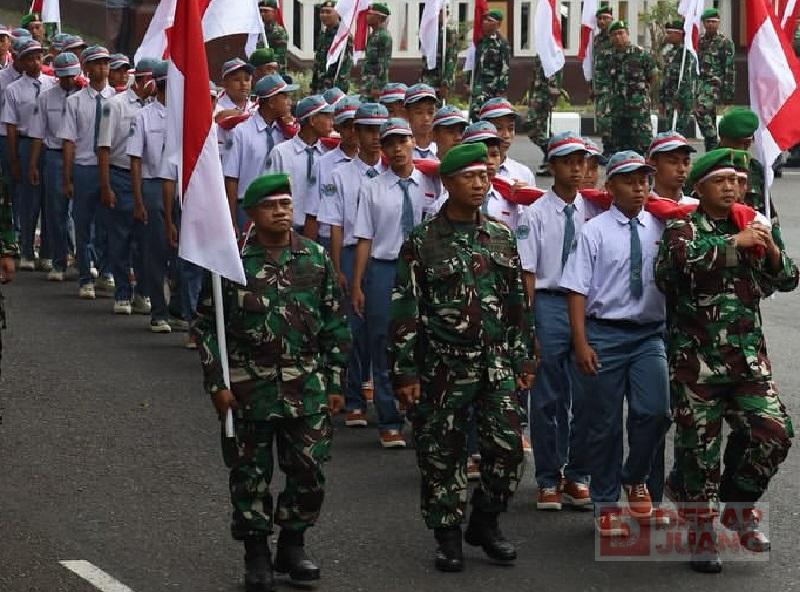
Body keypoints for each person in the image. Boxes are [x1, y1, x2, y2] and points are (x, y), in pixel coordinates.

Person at [194, 172, 350, 592]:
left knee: (309, 471)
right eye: (271, 205)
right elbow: (208, 326)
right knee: (251, 475)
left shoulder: (315, 259)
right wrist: (216, 383)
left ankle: (293, 545)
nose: (281, 212)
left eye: (286, 204)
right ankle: (257, 553)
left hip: (307, 387)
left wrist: (335, 381)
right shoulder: (232, 264)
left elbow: (335, 322)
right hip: (250, 388)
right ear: (251, 213)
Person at [389, 142, 533, 572]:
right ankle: (448, 535)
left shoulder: (501, 236)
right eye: (468, 177)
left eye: (483, 176)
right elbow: (405, 309)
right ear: (448, 183)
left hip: (495, 363)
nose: (479, 183)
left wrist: (524, 358)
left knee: (508, 449)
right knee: (442, 453)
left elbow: (516, 304)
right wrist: (405, 371)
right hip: (443, 364)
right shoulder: (423, 241)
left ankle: (485, 521)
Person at [655, 149, 797, 572]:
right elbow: (676, 269)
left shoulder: (752, 224)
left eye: (736, 180)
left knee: (774, 434)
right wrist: (735, 243)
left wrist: (769, 249)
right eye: (721, 180)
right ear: (698, 188)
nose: (732, 187)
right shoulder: (682, 227)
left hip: (748, 363)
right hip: (696, 366)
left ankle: (736, 506)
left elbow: (787, 279)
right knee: (699, 454)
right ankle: (701, 535)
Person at [560, 151, 672, 538]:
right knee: (604, 424)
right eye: (629, 180)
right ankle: (605, 504)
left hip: (648, 335)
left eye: (644, 180)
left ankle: (635, 476)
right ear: (610, 187)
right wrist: (581, 342)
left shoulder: (662, 225)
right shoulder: (594, 230)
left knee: (656, 411)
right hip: (605, 333)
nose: (639, 187)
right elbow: (576, 289)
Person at [517, 132, 598, 512]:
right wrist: (529, 323)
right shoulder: (533, 214)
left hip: (586, 307)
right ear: (551, 166)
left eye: (582, 161)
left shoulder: (595, 211)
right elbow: (528, 272)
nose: (577, 169)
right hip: (549, 305)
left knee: (588, 397)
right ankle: (548, 478)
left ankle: (577, 474)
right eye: (568, 161)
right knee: (547, 396)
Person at [352, 117, 440, 448]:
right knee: (383, 340)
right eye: (391, 143)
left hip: (424, 269)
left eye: (403, 141)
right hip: (386, 268)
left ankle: (421, 415)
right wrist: (359, 283)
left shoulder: (433, 182)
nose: (398, 148)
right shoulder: (372, 187)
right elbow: (364, 237)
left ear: (413, 143)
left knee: (425, 340)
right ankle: (389, 418)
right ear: (384, 150)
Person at [317, 102, 388, 428]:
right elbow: (334, 224)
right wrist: (337, 268)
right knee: (353, 330)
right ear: (356, 133)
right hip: (348, 251)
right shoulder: (339, 174)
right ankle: (354, 397)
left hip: (382, 257)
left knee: (383, 331)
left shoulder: (392, 172)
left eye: (380, 131)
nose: (375, 138)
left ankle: (384, 399)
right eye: (369, 130)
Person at [96, 56, 154, 316]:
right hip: (120, 175)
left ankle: (143, 292)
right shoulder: (115, 105)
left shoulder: (155, 107)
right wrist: (106, 186)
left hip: (146, 178)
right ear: (141, 79)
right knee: (120, 238)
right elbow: (104, 148)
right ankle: (122, 293)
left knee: (145, 241)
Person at [59, 45, 116, 299]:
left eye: (105, 63)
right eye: (96, 63)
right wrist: (68, 177)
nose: (102, 68)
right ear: (87, 68)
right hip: (84, 168)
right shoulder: (75, 101)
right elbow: (69, 141)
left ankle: (106, 272)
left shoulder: (117, 100)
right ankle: (85, 277)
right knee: (83, 226)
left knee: (108, 225)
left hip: (111, 170)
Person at [125, 60, 172, 333]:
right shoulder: (144, 116)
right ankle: (159, 310)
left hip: (179, 187)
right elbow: (135, 160)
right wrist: (139, 200)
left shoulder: (184, 114)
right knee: (156, 250)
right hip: (153, 184)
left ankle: (179, 308)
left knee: (182, 253)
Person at [27, 51, 81, 281]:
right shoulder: (46, 98)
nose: (69, 81)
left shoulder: (84, 97)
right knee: (56, 212)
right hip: (55, 157)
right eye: (64, 76)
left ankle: (85, 261)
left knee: (83, 213)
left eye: (72, 76)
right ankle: (59, 262)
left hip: (82, 158)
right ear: (57, 76)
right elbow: (38, 134)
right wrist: (33, 164)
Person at [1, 39, 54, 271]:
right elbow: (10, 126)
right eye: (30, 58)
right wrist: (13, 159)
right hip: (23, 143)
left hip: (48, 146)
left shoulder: (52, 84)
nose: (36, 62)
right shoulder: (13, 89)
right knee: (28, 201)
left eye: (39, 57)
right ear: (21, 61)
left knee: (49, 200)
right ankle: (26, 250)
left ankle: (47, 252)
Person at [223, 73, 298, 235]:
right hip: (249, 207)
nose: (289, 102)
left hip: (279, 207)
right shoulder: (241, 132)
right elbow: (231, 178)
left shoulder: (285, 132)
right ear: (271, 102)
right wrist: (232, 219)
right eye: (284, 97)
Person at [265, 94, 334, 240]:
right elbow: (270, 192)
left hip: (321, 230)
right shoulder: (281, 152)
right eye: (327, 117)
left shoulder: (329, 155)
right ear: (312, 120)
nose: (331, 122)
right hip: (289, 228)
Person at [309, 94, 360, 250]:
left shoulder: (375, 163)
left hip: (364, 242)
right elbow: (312, 212)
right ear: (337, 127)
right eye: (346, 126)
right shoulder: (323, 164)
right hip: (329, 240)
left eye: (356, 126)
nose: (352, 131)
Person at [717, 107, 778, 226]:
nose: (743, 148)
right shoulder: (708, 167)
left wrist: (775, 241)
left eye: (748, 142)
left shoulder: (754, 168)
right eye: (738, 142)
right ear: (723, 138)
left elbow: (767, 210)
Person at [607, 21, 656, 156]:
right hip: (618, 107)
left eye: (621, 33)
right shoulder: (610, 57)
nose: (618, 37)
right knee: (620, 144)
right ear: (610, 38)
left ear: (627, 34)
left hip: (638, 108)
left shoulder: (640, 54)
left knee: (642, 142)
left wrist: (643, 94)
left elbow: (652, 75)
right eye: (614, 34)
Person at [461, 120, 520, 229]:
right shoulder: (448, 202)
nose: (489, 161)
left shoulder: (512, 202)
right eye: (482, 155)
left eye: (494, 154)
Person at [696, 8, 735, 152]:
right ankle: (711, 152)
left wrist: (729, 93)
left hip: (715, 85)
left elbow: (729, 68)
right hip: (699, 84)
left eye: (714, 22)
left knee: (701, 110)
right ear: (704, 23)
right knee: (709, 116)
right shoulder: (698, 40)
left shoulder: (724, 42)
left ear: (718, 23)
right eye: (708, 22)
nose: (711, 25)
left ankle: (713, 140)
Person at [479, 97, 535, 186]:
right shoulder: (469, 172)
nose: (506, 135)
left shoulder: (524, 174)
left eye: (510, 128)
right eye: (499, 128)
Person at [468, 9, 509, 122]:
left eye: (489, 20)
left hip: (492, 87)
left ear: (498, 24)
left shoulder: (502, 43)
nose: (485, 22)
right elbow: (474, 63)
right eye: (485, 20)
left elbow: (504, 68)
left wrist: (501, 90)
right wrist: (468, 80)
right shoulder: (481, 41)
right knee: (475, 113)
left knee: (489, 116)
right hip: (478, 85)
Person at [659, 20, 697, 139]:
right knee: (669, 131)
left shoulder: (687, 53)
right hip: (669, 98)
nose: (667, 36)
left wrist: (679, 98)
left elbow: (687, 78)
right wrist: (662, 99)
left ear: (680, 34)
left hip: (681, 100)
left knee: (678, 132)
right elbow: (665, 77)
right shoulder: (670, 53)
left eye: (670, 33)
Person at [526, 55, 562, 175]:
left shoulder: (551, 50)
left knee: (533, 125)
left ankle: (551, 155)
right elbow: (534, 76)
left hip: (545, 97)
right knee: (535, 127)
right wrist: (530, 96)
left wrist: (554, 92)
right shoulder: (540, 53)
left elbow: (557, 70)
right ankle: (552, 154)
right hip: (537, 97)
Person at [215, 58, 255, 160]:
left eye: (247, 79)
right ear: (225, 83)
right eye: (237, 79)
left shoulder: (256, 108)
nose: (243, 84)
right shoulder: (214, 107)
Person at [311, 0, 352, 94]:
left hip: (333, 88)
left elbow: (344, 66)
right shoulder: (323, 34)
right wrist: (313, 86)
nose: (324, 15)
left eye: (328, 12)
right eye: (322, 12)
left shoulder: (343, 36)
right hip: (319, 87)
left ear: (338, 14)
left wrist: (338, 91)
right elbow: (318, 62)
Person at [419, 8, 459, 102]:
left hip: (440, 80)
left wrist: (445, 83)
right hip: (427, 78)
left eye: (440, 12)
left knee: (438, 109)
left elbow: (451, 59)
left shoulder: (448, 32)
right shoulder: (429, 31)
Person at [647, 131, 697, 204]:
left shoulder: (698, 208)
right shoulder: (639, 210)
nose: (682, 169)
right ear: (653, 164)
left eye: (686, 163)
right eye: (673, 162)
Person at [592, 4, 614, 156]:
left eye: (605, 18)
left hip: (612, 86)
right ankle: (609, 148)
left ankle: (610, 149)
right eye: (599, 18)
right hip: (599, 85)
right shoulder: (597, 39)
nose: (602, 21)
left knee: (607, 120)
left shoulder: (615, 37)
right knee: (601, 121)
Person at [360, 3, 392, 101]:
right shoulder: (373, 35)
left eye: (370, 14)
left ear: (378, 18)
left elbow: (383, 63)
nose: (367, 17)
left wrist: (377, 86)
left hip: (375, 84)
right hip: (368, 82)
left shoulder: (383, 36)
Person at [403, 83, 437, 159]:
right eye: (419, 112)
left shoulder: (441, 148)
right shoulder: (400, 150)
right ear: (407, 114)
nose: (426, 118)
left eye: (430, 112)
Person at [259, 0, 289, 75]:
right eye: (260, 11)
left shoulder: (279, 32)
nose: (262, 14)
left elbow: (279, 56)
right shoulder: (257, 30)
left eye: (266, 11)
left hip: (274, 72)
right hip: (259, 71)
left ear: (274, 12)